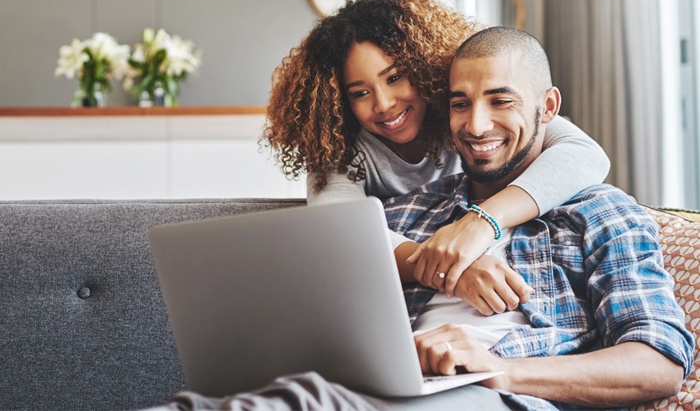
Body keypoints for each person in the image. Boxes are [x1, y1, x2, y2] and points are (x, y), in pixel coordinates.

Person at [153, 26, 693, 411]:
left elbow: (660, 362)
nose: (477, 124)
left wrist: (496, 369)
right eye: (461, 103)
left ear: (548, 107)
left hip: (495, 395)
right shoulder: (405, 212)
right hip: (367, 390)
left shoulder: (600, 212)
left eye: (500, 101)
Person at [263, 0, 610, 310]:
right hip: (412, 291)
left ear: (424, 66)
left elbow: (586, 154)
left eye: (395, 77)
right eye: (360, 93)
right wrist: (446, 268)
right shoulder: (339, 146)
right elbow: (337, 229)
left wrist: (483, 221)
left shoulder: (467, 113)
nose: (383, 104)